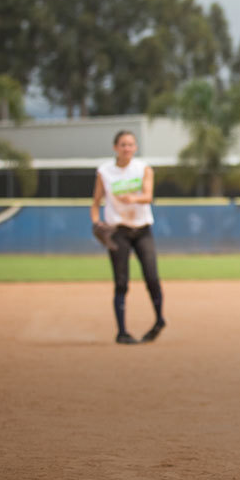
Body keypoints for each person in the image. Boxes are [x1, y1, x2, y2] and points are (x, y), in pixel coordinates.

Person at [91, 130, 166, 345]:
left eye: (131, 144)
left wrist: (133, 197)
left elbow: (148, 196)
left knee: (152, 277)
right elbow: (96, 202)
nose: (127, 148)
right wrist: (96, 222)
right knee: (121, 282)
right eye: (123, 144)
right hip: (118, 231)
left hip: (142, 229)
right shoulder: (105, 171)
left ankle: (159, 320)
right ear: (115, 147)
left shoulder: (143, 168)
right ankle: (122, 332)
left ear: (135, 148)